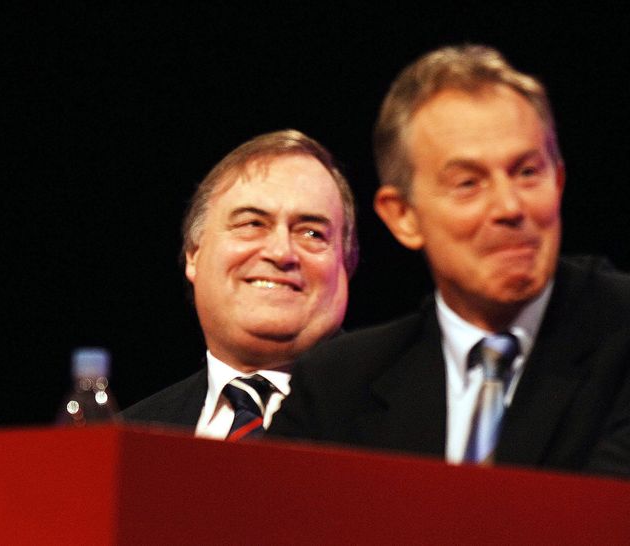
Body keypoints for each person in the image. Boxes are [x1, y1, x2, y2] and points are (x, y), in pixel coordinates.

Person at [270, 45, 630, 477]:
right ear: (403, 217)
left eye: (527, 172)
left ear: (559, 179)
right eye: (468, 183)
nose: (509, 206)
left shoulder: (619, 336)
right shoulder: (335, 388)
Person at [122, 129, 358, 440]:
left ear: (347, 263)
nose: (281, 252)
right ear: (194, 254)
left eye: (312, 233)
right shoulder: (128, 434)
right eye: (252, 224)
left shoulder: (418, 416)